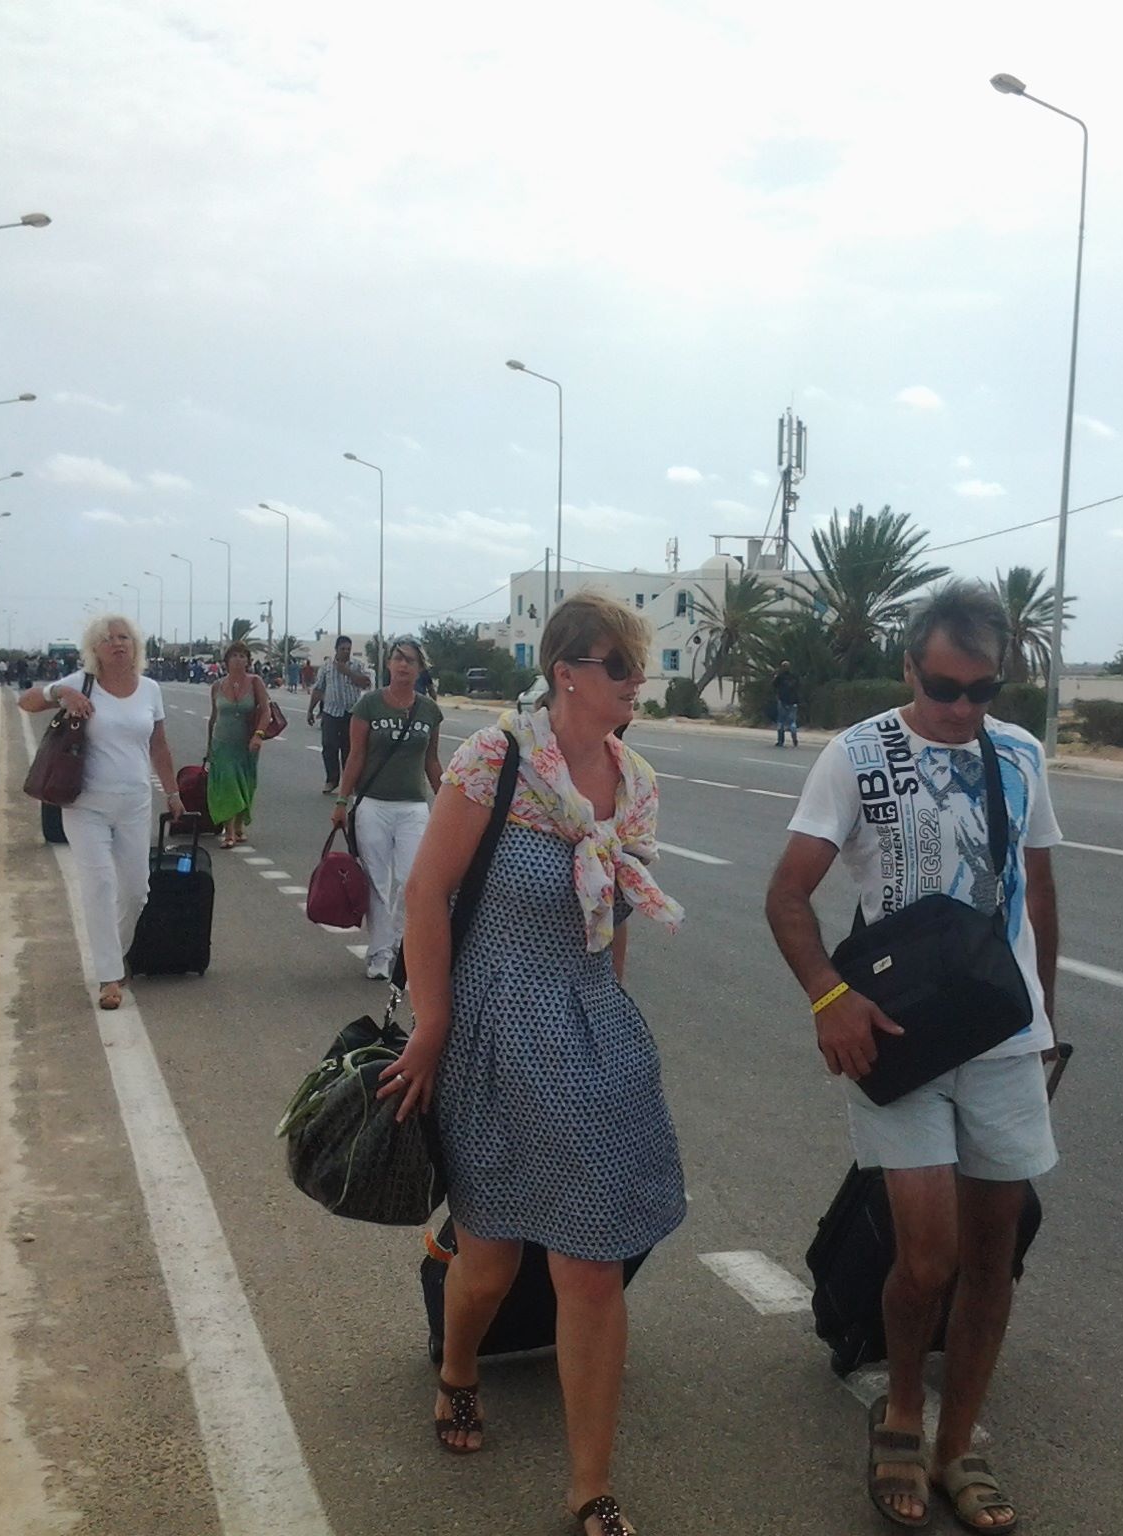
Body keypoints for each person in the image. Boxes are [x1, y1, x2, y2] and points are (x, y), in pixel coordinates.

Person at [374, 593, 683, 1536]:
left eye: (639, 666)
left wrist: (612, 1011)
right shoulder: (494, 760)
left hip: (590, 1034)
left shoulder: (634, 783)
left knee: (591, 1267)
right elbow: (426, 894)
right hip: (492, 1034)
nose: (636, 682)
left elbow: (614, 918)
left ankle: (590, 1487)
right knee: (494, 1257)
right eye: (620, 666)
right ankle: (458, 1365)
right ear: (568, 674)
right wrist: (431, 1027)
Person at [764, 580, 1060, 1533]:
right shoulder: (857, 757)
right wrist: (829, 998)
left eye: (983, 690)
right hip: (894, 1040)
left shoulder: (1018, 755)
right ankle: (900, 1418)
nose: (963, 708)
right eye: (944, 686)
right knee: (925, 1257)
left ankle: (959, 1441)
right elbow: (787, 895)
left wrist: (1045, 1021)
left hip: (1005, 1041)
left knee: (991, 1258)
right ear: (909, 667)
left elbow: (1038, 887)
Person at [19, 614, 186, 1011]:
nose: (118, 644)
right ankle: (110, 976)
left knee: (136, 889)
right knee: (99, 885)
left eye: (124, 637)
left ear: (136, 646)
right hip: (85, 803)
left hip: (134, 801)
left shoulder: (150, 689)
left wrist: (174, 792)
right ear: (95, 648)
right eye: (108, 639)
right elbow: (26, 701)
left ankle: (114, 951)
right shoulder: (81, 683)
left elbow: (159, 746)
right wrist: (62, 693)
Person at [331, 637, 445, 979]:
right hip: (373, 806)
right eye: (398, 658)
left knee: (411, 882)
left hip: (413, 807)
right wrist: (341, 799)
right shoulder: (369, 705)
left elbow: (432, 761)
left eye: (411, 660)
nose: (403, 665)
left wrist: (449, 803)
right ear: (389, 665)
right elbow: (356, 756)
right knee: (377, 882)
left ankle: (397, 941)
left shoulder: (429, 710)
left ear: (420, 669)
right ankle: (379, 953)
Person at [206, 641, 272, 849]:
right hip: (222, 744)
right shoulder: (217, 686)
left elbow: (266, 711)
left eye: (243, 656)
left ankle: (239, 825)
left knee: (246, 784)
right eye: (234, 656)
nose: (238, 660)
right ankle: (230, 832)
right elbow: (213, 718)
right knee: (228, 786)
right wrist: (209, 748)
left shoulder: (255, 682)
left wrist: (258, 735)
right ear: (226, 661)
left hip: (247, 744)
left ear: (248, 661)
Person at [309, 636, 372, 794]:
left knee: (349, 749)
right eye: (343, 648)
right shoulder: (326, 667)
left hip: (351, 713)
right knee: (329, 746)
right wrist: (311, 710)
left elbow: (366, 683)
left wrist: (348, 672)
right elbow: (318, 689)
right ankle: (332, 779)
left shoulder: (357, 665)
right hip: (330, 712)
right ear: (336, 649)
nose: (346, 652)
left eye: (348, 649)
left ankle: (350, 782)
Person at [773, 659, 801, 748]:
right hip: (793, 702)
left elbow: (773, 685)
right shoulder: (794, 677)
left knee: (781, 721)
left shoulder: (780, 677)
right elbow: (799, 686)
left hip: (782, 701)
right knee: (792, 722)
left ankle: (780, 741)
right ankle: (794, 739)